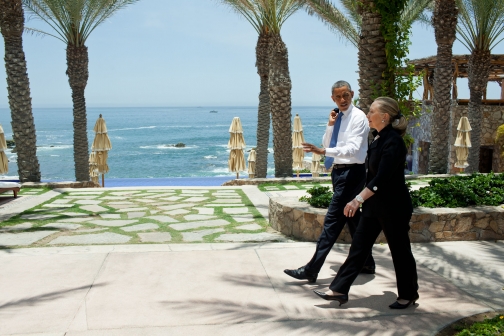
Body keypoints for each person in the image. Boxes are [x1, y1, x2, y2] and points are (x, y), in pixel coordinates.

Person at [313, 97, 419, 309]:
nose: (368, 116)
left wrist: (357, 199)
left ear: (384, 116)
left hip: (393, 208)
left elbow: (382, 178)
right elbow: (371, 175)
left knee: (400, 252)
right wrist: (361, 198)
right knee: (358, 249)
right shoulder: (377, 138)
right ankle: (339, 290)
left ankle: (408, 295)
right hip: (374, 207)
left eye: (372, 112)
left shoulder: (394, 141)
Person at [284, 80, 375, 283]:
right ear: (332, 98)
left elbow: (352, 149)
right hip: (339, 172)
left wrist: (323, 151)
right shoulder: (339, 118)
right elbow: (328, 142)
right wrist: (331, 124)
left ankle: (311, 269)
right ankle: (367, 261)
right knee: (352, 219)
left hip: (352, 173)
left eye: (346, 95)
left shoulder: (358, 118)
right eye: (338, 96)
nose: (342, 100)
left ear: (352, 94)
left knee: (332, 223)